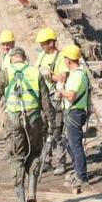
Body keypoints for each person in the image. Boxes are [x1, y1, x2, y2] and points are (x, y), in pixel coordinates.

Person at [0, 45, 51, 202]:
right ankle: (32, 192)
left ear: (12, 58)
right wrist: (51, 121)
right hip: (34, 119)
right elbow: (46, 101)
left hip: (13, 120)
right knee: (34, 153)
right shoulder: (35, 72)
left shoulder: (5, 73)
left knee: (16, 157)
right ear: (25, 58)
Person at [56, 45, 92, 188]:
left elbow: (71, 96)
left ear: (68, 60)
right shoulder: (78, 72)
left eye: (65, 58)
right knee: (66, 141)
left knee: (75, 146)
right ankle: (78, 170)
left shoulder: (77, 75)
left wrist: (60, 89)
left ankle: (81, 176)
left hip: (74, 113)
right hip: (73, 112)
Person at [33, 28, 68, 174]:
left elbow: (63, 77)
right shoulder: (41, 55)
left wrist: (49, 75)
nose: (41, 46)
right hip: (42, 97)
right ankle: (46, 159)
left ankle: (61, 162)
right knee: (42, 129)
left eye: (43, 44)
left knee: (56, 129)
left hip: (55, 97)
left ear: (51, 43)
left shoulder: (60, 58)